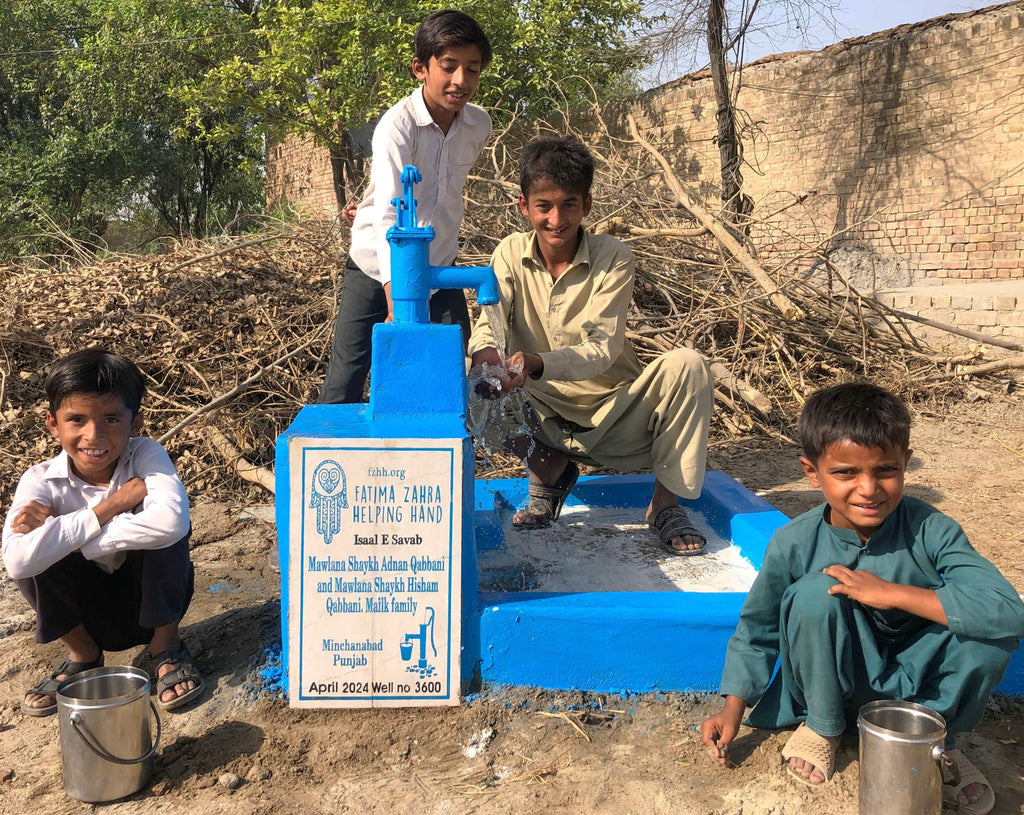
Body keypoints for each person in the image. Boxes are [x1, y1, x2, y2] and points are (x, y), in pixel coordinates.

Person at [700, 382, 1024, 812]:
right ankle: (824, 728)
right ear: (812, 472)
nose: (869, 489)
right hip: (832, 684)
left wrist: (893, 594)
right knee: (817, 592)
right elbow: (757, 630)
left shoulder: (933, 530)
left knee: (986, 634)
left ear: (906, 465)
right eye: (846, 473)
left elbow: (1007, 612)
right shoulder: (794, 542)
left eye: (885, 470)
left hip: (918, 691)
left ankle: (935, 737)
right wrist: (733, 708)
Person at [468, 135, 714, 555]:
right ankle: (549, 471)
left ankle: (665, 505)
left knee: (688, 364)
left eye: (568, 205)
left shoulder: (613, 256)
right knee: (470, 384)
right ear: (524, 206)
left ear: (587, 205)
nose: (556, 219)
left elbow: (601, 348)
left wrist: (534, 362)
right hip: (543, 416)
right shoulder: (509, 253)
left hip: (616, 416)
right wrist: (487, 355)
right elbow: (489, 321)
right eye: (543, 206)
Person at [2, 349, 202, 714]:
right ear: (52, 423)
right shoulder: (40, 481)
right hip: (86, 614)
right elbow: (16, 562)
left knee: (169, 535)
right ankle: (83, 654)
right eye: (76, 419)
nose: (93, 435)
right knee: (35, 557)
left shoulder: (145, 456)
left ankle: (166, 647)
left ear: (135, 422)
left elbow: (172, 522)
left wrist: (67, 537)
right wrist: (112, 506)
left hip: (149, 603)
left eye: (111, 419)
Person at [318, 9, 493, 404]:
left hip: (439, 266)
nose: (461, 81)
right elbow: (387, 213)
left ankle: (435, 461)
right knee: (347, 378)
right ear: (420, 68)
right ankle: (329, 458)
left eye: (472, 69)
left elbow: (435, 187)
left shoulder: (479, 125)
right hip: (376, 266)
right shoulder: (397, 125)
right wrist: (399, 298)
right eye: (448, 66)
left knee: (451, 376)